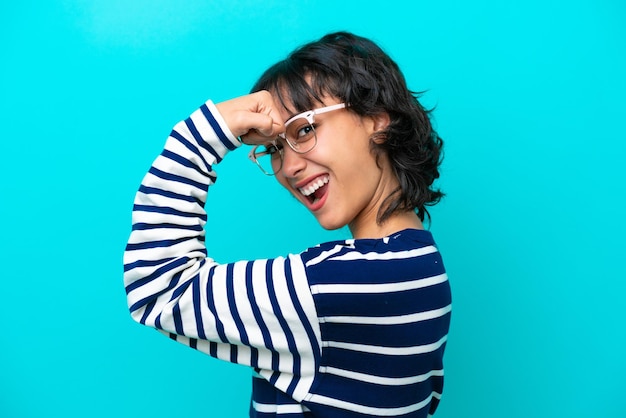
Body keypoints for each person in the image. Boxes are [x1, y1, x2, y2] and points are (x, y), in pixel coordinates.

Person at [124, 31, 451, 417]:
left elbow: (158, 288)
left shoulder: (345, 283)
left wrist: (199, 138)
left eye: (306, 128)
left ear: (377, 119)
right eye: (275, 148)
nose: (289, 167)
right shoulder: (423, 270)